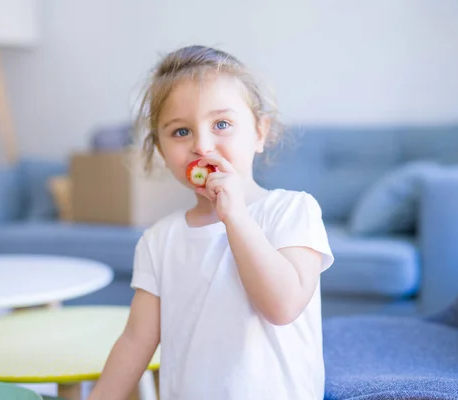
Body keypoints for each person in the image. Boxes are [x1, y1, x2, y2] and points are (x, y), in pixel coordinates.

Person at [89, 45, 334, 400]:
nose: (202, 146)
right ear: (160, 150)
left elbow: (283, 306)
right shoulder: (160, 240)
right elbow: (134, 342)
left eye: (221, 124)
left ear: (260, 132)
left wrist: (234, 216)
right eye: (180, 132)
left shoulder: (292, 210)